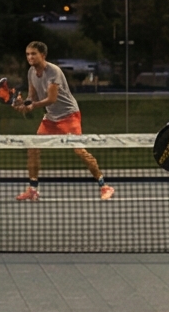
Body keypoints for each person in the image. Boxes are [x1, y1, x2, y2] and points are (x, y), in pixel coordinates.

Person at [12, 40, 110, 201]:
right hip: (51, 117)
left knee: (79, 151)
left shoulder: (53, 71)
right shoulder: (31, 72)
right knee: (33, 148)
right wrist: (23, 104)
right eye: (28, 54)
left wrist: (32, 106)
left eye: (33, 54)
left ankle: (104, 186)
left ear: (43, 55)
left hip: (69, 115)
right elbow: (32, 97)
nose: (30, 57)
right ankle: (33, 189)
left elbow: (51, 99)